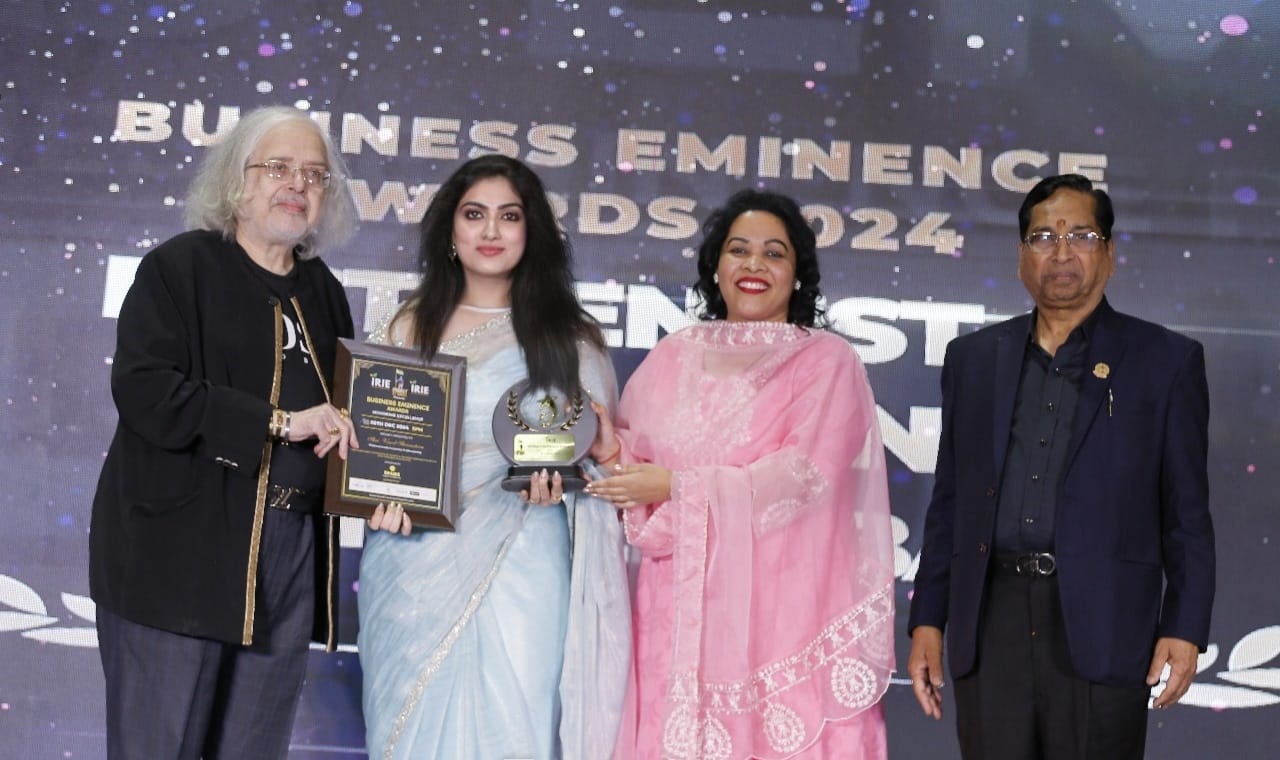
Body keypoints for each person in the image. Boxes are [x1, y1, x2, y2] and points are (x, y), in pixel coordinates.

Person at [907, 173, 1215, 759]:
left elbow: (1187, 516)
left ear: (1110, 254)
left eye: (1082, 236)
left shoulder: (1165, 362)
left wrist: (1184, 625)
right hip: (991, 619)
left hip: (1103, 621)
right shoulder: (974, 360)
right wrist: (928, 618)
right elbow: (950, 503)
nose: (1062, 252)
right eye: (1044, 237)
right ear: (1022, 256)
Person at [88, 105, 360, 759]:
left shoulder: (324, 291)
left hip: (290, 551)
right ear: (237, 180)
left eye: (314, 175)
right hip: (181, 554)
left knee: (253, 747)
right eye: (278, 168)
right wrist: (276, 423)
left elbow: (343, 418)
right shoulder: (179, 268)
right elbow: (147, 391)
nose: (297, 185)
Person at [586, 189, 896, 759]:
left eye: (774, 253)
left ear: (797, 275)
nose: (755, 264)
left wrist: (678, 486)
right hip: (674, 615)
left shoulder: (825, 360)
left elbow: (803, 476)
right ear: (716, 267)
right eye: (739, 250)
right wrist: (611, 452)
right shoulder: (671, 357)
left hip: (779, 614)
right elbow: (642, 475)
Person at [357, 154, 631, 759]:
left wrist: (569, 482)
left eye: (509, 216)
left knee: (517, 720)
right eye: (473, 214)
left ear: (532, 232)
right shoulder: (407, 326)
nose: (490, 231)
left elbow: (594, 459)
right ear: (450, 228)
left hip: (525, 553)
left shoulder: (569, 336)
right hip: (411, 560)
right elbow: (378, 445)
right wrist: (377, 497)